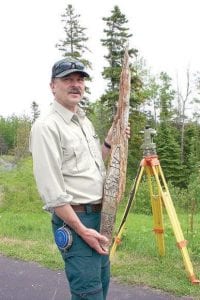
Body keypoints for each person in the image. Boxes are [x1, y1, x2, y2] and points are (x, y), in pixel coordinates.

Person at [29, 57, 130, 300]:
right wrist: (82, 230)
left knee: (102, 285)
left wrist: (109, 141)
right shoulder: (47, 126)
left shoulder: (83, 121)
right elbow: (53, 194)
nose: (76, 85)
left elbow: (93, 165)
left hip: (100, 219)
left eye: (80, 79)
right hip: (77, 221)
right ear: (53, 85)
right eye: (68, 79)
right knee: (89, 294)